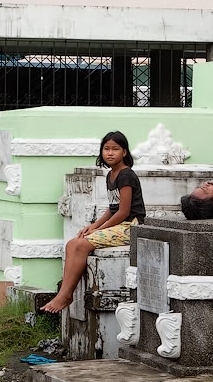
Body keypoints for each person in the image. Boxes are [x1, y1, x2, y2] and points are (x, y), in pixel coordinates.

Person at [41, 131, 146, 313]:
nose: (110, 153)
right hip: (119, 224)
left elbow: (123, 212)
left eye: (115, 149)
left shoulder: (126, 175)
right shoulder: (111, 175)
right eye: (106, 149)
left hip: (131, 226)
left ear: (125, 152)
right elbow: (113, 208)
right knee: (72, 244)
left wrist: (99, 230)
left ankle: (66, 295)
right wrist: (94, 226)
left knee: (81, 245)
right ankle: (63, 293)